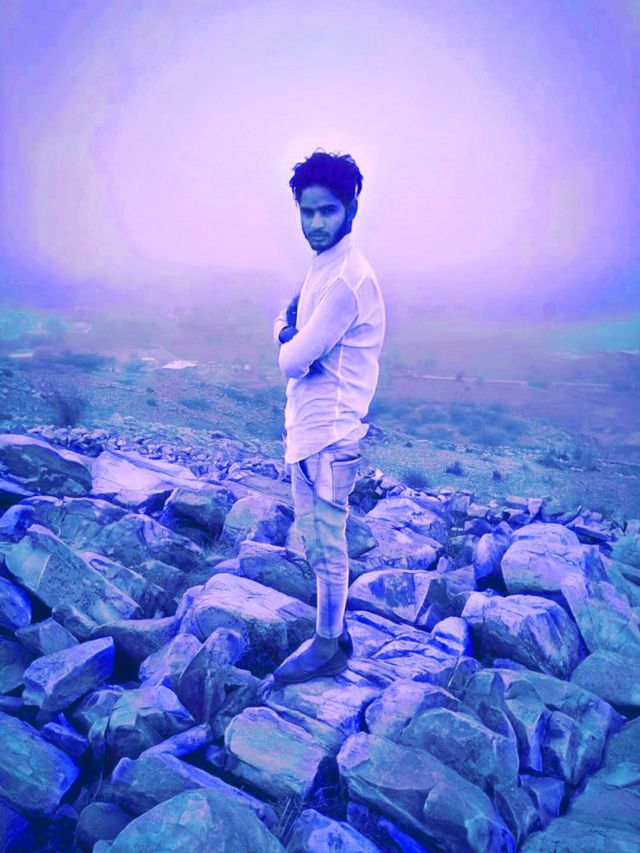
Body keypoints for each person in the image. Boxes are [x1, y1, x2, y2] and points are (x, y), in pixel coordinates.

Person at [267, 149, 386, 686]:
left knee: (324, 543)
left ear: (351, 208)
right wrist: (288, 332)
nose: (315, 223)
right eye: (307, 211)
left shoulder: (346, 281)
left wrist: (288, 341)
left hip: (329, 438)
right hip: (311, 431)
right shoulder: (324, 266)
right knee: (318, 540)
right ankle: (333, 633)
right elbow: (284, 318)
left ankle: (327, 646)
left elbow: (291, 361)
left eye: (328, 211)